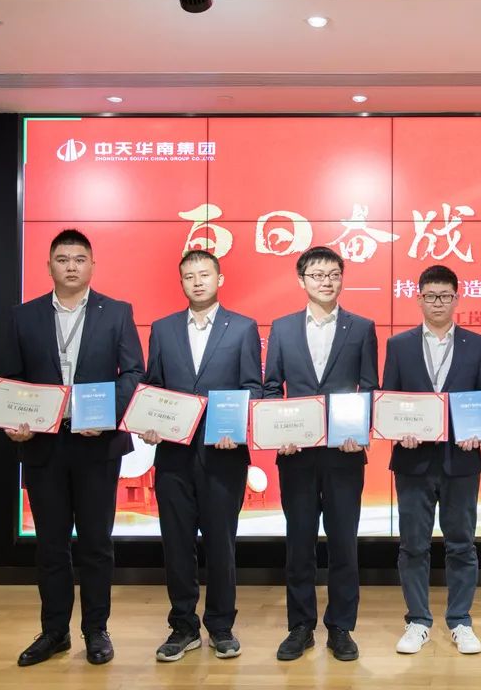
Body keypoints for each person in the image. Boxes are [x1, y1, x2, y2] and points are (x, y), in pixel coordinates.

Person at [2, 229, 144, 666]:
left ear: (92, 266)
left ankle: (96, 630)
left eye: (79, 259)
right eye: (62, 259)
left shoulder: (117, 312)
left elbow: (133, 373)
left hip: (96, 446)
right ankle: (54, 632)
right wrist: (13, 421)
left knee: (97, 544)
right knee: (51, 545)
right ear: (49, 266)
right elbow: (12, 378)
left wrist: (106, 416)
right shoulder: (23, 316)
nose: (71, 266)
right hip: (43, 446)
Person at [139, 250, 263, 662]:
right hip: (173, 456)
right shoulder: (163, 329)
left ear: (219, 279)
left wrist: (236, 429)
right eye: (189, 276)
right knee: (176, 544)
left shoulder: (243, 328)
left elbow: (252, 387)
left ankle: (221, 626)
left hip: (223, 456)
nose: (197, 281)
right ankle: (183, 626)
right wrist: (149, 423)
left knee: (221, 544)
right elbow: (153, 386)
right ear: (181, 283)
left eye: (204, 274)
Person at [263, 246, 379, 662]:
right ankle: (300, 626)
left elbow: (369, 387)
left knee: (344, 544)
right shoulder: (282, 328)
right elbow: (272, 388)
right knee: (299, 543)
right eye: (317, 274)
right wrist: (279, 432)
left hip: (344, 455)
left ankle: (341, 627)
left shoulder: (361, 327)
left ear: (342, 279)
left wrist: (359, 433)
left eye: (333, 274)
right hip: (296, 454)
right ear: (302, 280)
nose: (326, 281)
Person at [383, 264, 481, 655]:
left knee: (462, 544)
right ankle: (417, 620)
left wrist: (478, 431)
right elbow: (389, 399)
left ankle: (460, 620)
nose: (438, 303)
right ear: (419, 299)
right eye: (430, 296)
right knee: (413, 544)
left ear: (456, 299)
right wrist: (399, 430)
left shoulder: (478, 345)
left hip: (461, 460)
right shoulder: (399, 345)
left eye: (445, 296)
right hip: (413, 460)